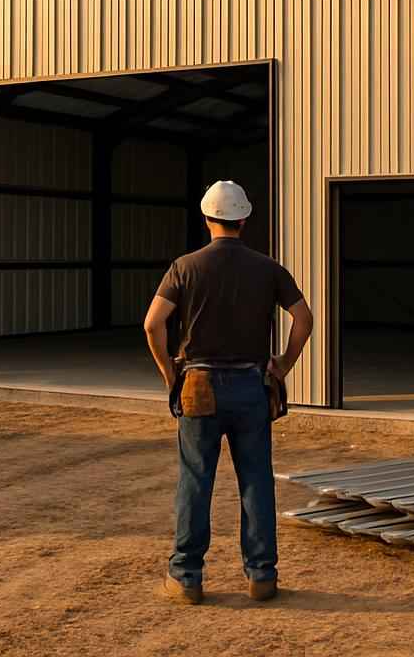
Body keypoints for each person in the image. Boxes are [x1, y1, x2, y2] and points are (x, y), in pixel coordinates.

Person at [142, 179, 315, 605]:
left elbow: (153, 324)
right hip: (252, 387)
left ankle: (186, 577)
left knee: (195, 482)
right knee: (255, 480)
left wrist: (170, 375)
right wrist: (285, 364)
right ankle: (261, 577)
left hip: (198, 388)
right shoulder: (268, 268)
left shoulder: (185, 267)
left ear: (207, 219)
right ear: (244, 219)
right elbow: (304, 317)